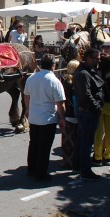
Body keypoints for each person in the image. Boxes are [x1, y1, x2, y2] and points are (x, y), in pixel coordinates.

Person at [24, 54, 66, 182]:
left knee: (34, 143)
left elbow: (26, 95)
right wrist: (62, 118)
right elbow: (60, 103)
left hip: (34, 117)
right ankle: (41, 173)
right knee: (44, 146)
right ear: (53, 66)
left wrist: (27, 109)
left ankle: (31, 168)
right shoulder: (54, 81)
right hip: (48, 118)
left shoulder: (31, 78)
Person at [73, 48, 105, 180]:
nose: (98, 61)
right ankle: (85, 170)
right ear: (88, 58)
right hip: (88, 112)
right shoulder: (83, 74)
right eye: (96, 59)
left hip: (88, 111)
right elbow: (86, 95)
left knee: (82, 140)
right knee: (86, 142)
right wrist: (97, 107)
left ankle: (79, 165)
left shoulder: (88, 71)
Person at [59, 60, 80, 170]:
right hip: (78, 113)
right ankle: (77, 160)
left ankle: (67, 161)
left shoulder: (64, 81)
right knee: (77, 139)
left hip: (68, 112)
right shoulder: (79, 80)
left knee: (67, 140)